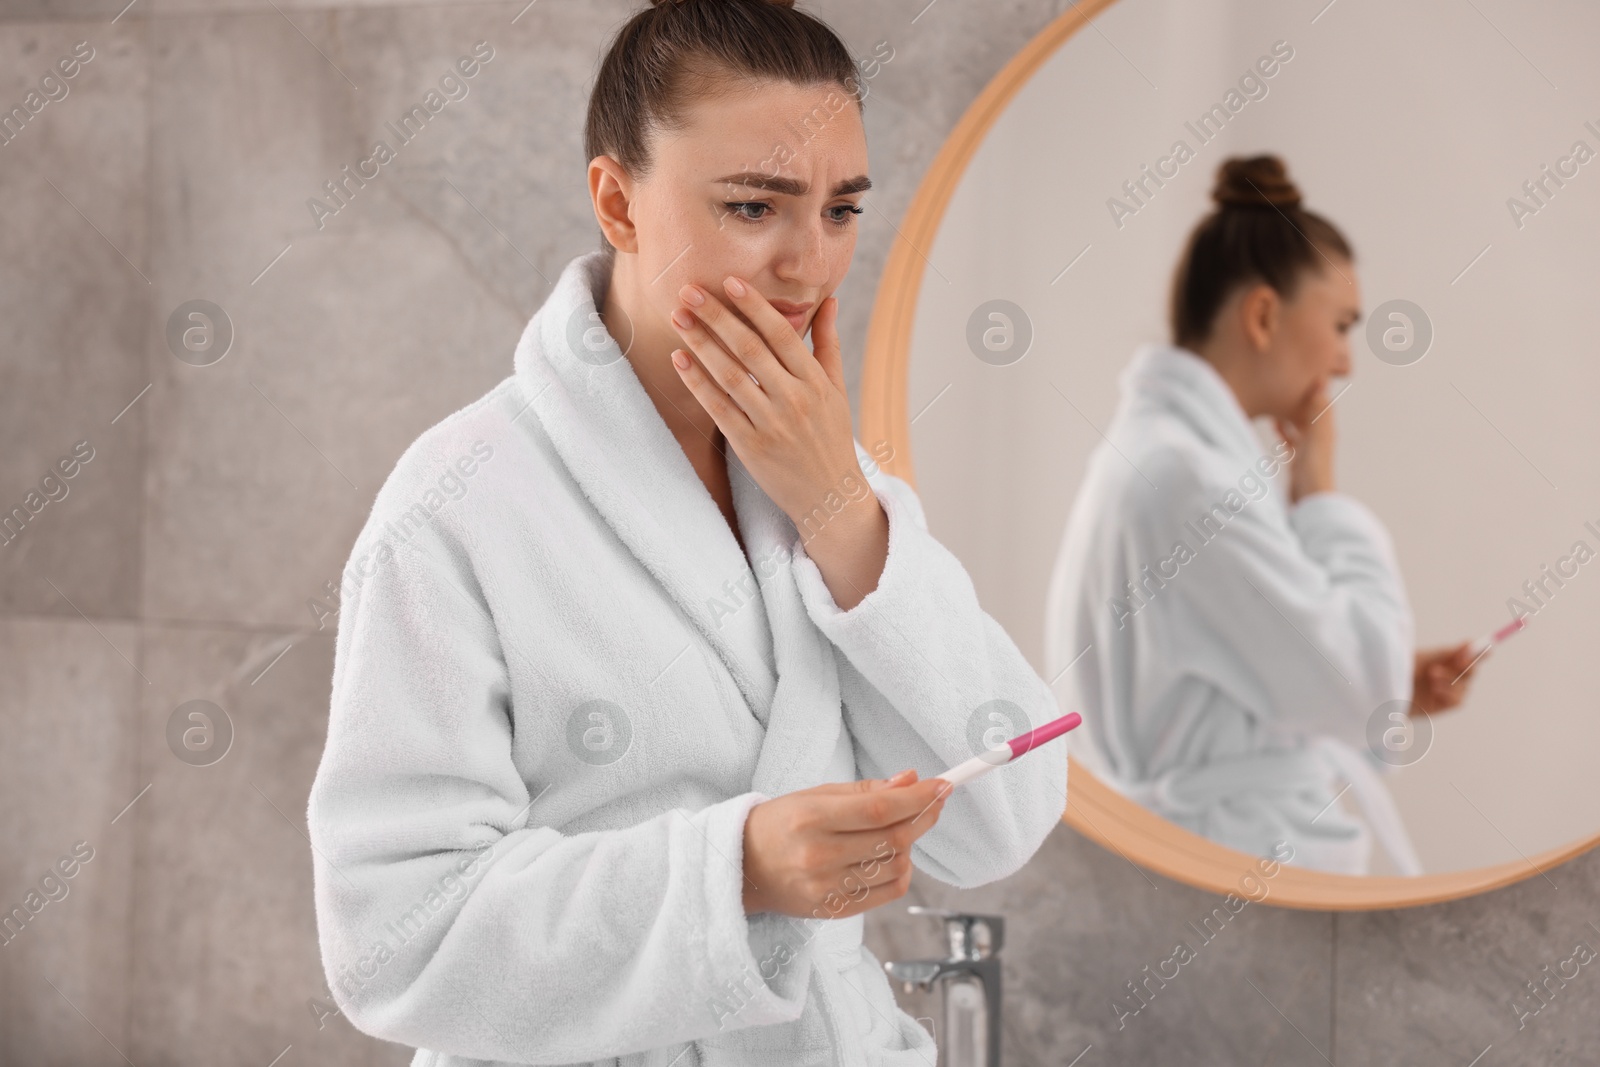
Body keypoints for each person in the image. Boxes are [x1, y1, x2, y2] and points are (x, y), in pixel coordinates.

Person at [305, 2, 1068, 1065]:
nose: (810, 264)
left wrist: (841, 509)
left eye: (841, 210)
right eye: (755, 206)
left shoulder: (838, 490)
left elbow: (1005, 817)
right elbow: (392, 939)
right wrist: (735, 868)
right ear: (617, 201)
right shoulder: (460, 501)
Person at [1044, 154, 1480, 877]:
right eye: (1342, 324)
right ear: (1264, 314)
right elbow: (1358, 685)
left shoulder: (1169, 457)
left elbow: (1257, 676)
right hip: (1233, 867)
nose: (1345, 362)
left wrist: (1391, 677)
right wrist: (1319, 485)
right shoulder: (1190, 481)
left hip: (1210, 854)